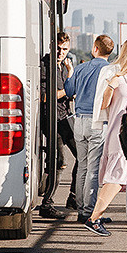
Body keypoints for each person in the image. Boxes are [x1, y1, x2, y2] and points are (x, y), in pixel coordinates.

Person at [83, 38, 127, 235]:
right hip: (120, 131)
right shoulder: (114, 73)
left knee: (124, 175)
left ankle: (98, 215)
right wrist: (112, 85)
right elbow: (102, 105)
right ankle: (93, 217)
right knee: (116, 176)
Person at [63, 34, 115, 223]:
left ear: (95, 49)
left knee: (82, 166)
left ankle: (81, 208)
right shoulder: (111, 70)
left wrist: (70, 72)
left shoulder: (81, 68)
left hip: (79, 121)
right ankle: (89, 211)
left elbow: (69, 91)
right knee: (93, 168)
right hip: (98, 122)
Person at [39, 32, 78, 215]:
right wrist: (67, 90)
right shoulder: (45, 66)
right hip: (51, 118)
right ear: (52, 47)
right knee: (59, 161)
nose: (61, 53)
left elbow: (68, 92)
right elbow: (46, 96)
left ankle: (73, 197)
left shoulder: (63, 66)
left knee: (81, 155)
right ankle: (47, 203)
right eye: (58, 49)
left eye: (65, 49)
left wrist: (70, 78)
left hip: (65, 117)